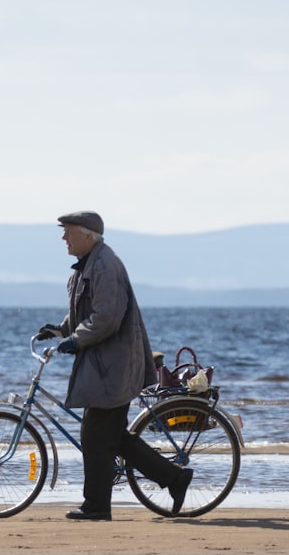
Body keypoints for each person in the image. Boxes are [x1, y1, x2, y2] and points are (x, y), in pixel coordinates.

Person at [37, 211, 193, 521]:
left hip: (115, 367)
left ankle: (97, 506)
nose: (63, 238)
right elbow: (86, 314)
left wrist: (76, 340)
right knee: (109, 436)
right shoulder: (86, 267)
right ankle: (174, 479)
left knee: (96, 435)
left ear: (87, 236)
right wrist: (61, 329)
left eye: (67, 232)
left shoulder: (105, 265)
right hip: (104, 367)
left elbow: (107, 318)